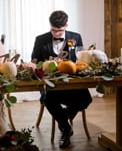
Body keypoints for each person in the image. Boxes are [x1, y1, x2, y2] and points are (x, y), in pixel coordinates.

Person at [30, 10, 90, 148]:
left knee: (86, 98)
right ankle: (66, 128)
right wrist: (36, 66)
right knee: (48, 99)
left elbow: (81, 58)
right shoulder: (40, 39)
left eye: (60, 31)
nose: (56, 33)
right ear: (50, 26)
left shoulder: (76, 37)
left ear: (67, 25)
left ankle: (63, 123)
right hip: (50, 84)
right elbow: (34, 61)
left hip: (72, 83)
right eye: (53, 30)